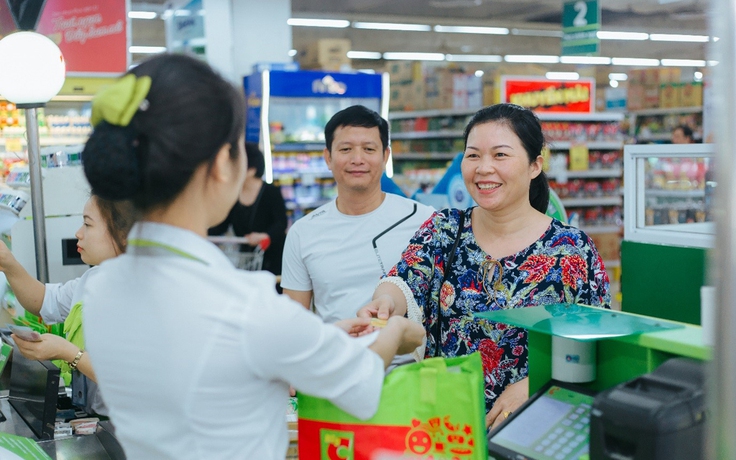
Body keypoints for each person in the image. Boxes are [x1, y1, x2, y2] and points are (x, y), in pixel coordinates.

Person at [79, 54, 424, 460]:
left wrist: (321, 338)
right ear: (223, 164)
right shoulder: (244, 305)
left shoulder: (101, 288)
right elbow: (359, 383)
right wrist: (396, 332)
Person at [358, 103, 611, 429]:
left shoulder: (572, 251)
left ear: (535, 165)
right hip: (447, 427)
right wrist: (384, 303)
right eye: (473, 155)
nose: (483, 168)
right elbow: (404, 278)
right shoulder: (446, 228)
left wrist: (536, 384)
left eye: (500, 155)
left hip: (537, 425)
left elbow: (597, 345)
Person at [281, 105, 435, 323]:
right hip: (337, 355)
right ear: (328, 157)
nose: (357, 159)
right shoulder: (302, 233)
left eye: (369, 149)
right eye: (345, 149)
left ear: (385, 156)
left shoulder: (423, 220)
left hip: (411, 357)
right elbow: (294, 323)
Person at [0, 194, 136, 416]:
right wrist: (9, 264)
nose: (78, 233)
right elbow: (44, 301)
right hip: (95, 415)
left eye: (88, 224)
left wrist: (67, 352)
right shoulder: (93, 279)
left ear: (122, 234)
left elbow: (129, 380)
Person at [208, 142, 287, 276]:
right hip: (248, 259)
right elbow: (223, 223)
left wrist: (266, 236)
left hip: (274, 257)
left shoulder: (271, 192)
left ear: (251, 170)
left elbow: (281, 223)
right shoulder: (233, 194)